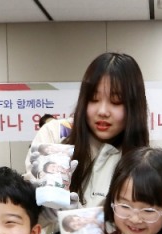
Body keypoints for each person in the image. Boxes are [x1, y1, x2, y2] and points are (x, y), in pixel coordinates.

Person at [25, 52, 149, 211]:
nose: (103, 111)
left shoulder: (141, 160)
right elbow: (26, 215)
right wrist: (40, 207)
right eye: (94, 99)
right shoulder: (55, 134)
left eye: (116, 101)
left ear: (134, 106)